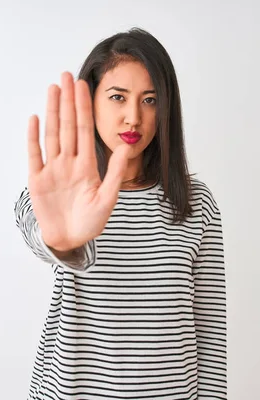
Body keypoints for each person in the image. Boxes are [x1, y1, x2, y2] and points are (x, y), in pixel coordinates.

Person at [14, 27, 226, 400]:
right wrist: (63, 243)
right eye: (117, 97)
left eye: (149, 100)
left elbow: (209, 332)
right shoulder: (61, 195)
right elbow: (41, 231)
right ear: (91, 101)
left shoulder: (196, 203)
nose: (133, 117)